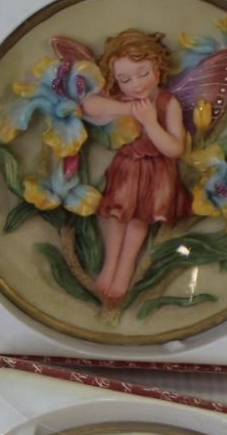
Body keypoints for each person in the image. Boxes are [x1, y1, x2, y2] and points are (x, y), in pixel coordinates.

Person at [79, 30, 190, 303]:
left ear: (158, 69)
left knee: (139, 219)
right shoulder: (123, 101)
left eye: (143, 73)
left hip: (156, 171)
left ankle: (124, 270)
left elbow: (175, 149)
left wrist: (150, 122)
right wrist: (129, 110)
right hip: (127, 168)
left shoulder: (167, 103)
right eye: (125, 79)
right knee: (117, 216)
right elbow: (88, 105)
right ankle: (109, 267)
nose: (137, 85)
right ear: (115, 80)